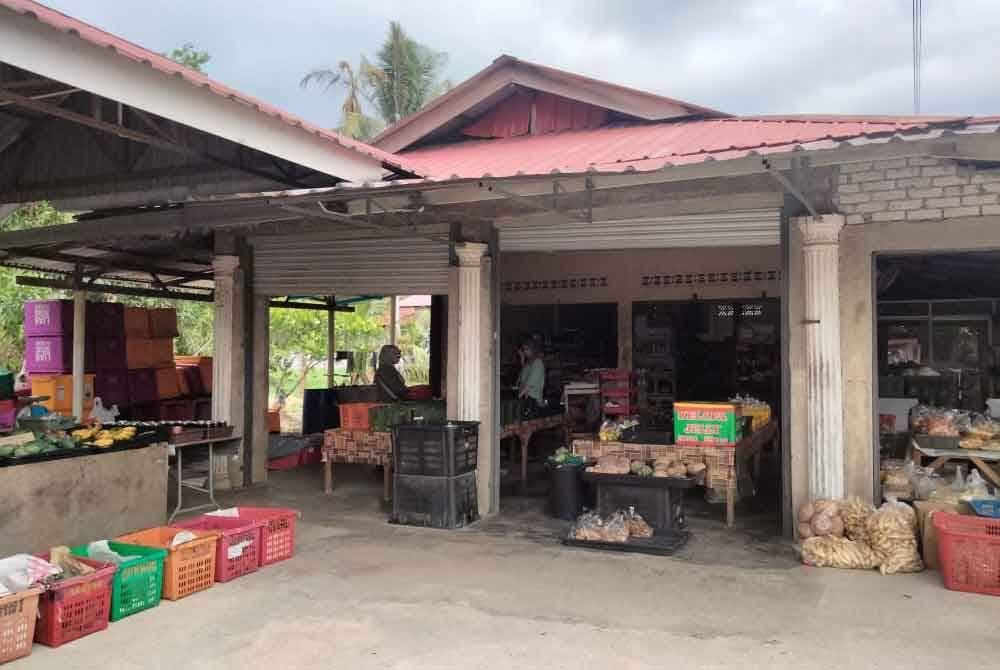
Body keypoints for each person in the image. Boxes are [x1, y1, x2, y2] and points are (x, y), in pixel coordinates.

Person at [516, 339, 546, 418]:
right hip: (527, 399)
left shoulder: (538, 362)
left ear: (533, 349)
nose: (525, 351)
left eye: (527, 349)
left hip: (533, 400)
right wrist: (522, 359)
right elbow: (522, 378)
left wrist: (518, 397)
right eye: (524, 349)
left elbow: (530, 384)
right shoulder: (528, 363)